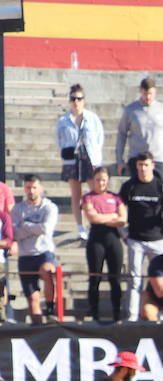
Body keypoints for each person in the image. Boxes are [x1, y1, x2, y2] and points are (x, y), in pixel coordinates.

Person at [119, 153, 163, 322]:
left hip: (157, 240)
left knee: (160, 280)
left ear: (153, 166)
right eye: (140, 165)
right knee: (134, 280)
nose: (143, 168)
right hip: (135, 239)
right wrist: (124, 234)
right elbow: (119, 210)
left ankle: (162, 313)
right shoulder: (129, 186)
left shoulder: (161, 187)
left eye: (146, 165)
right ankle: (132, 316)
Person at [57, 84, 105, 242]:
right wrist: (65, 152)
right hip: (72, 159)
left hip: (89, 158)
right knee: (76, 194)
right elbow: (60, 140)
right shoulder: (64, 120)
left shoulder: (92, 118)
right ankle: (80, 226)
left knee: (94, 192)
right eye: (73, 99)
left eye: (79, 98)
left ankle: (95, 224)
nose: (76, 102)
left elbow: (99, 138)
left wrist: (96, 157)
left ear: (84, 100)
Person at [13, 175, 60, 324]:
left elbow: (46, 229)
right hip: (26, 255)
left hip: (43, 252)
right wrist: (34, 229)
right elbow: (14, 232)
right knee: (33, 299)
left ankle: (51, 308)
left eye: (34, 187)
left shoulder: (49, 207)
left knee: (48, 271)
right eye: (28, 187)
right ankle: (39, 330)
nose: (31, 191)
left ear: (40, 188)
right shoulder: (18, 209)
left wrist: (25, 226)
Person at [82, 168, 127, 321]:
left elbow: (123, 219)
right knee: (95, 277)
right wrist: (112, 216)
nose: (100, 183)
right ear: (93, 181)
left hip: (113, 237)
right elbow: (92, 218)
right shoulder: (88, 197)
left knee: (115, 278)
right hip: (96, 238)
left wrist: (105, 217)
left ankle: (117, 313)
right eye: (98, 180)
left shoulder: (115, 197)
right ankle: (94, 313)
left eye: (103, 180)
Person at [115, 77, 163, 181]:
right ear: (140, 91)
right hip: (137, 158)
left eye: (150, 94)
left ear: (155, 92)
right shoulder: (131, 110)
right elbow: (122, 134)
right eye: (145, 94)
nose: (147, 97)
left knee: (159, 191)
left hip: (158, 159)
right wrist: (120, 160)